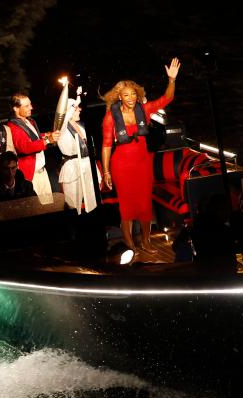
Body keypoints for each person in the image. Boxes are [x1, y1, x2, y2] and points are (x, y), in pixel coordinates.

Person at [101, 57, 181, 252]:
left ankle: (146, 241)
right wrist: (106, 172)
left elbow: (167, 99)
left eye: (133, 94)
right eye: (126, 95)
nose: (130, 98)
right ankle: (129, 243)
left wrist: (171, 80)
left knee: (145, 203)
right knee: (127, 206)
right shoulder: (111, 116)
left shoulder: (143, 109)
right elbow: (106, 145)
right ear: (120, 96)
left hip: (143, 162)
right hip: (121, 165)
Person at [8, 93, 60, 203]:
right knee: (35, 207)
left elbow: (34, 137)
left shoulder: (29, 121)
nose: (31, 108)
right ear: (16, 108)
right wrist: (47, 140)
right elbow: (24, 147)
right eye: (26, 106)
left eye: (30, 104)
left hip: (42, 172)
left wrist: (46, 135)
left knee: (48, 205)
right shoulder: (12, 126)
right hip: (30, 176)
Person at [57, 93, 100, 214]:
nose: (79, 109)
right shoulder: (62, 127)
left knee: (93, 201)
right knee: (73, 205)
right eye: (76, 108)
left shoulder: (80, 126)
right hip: (73, 168)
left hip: (87, 164)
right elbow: (63, 118)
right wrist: (75, 102)